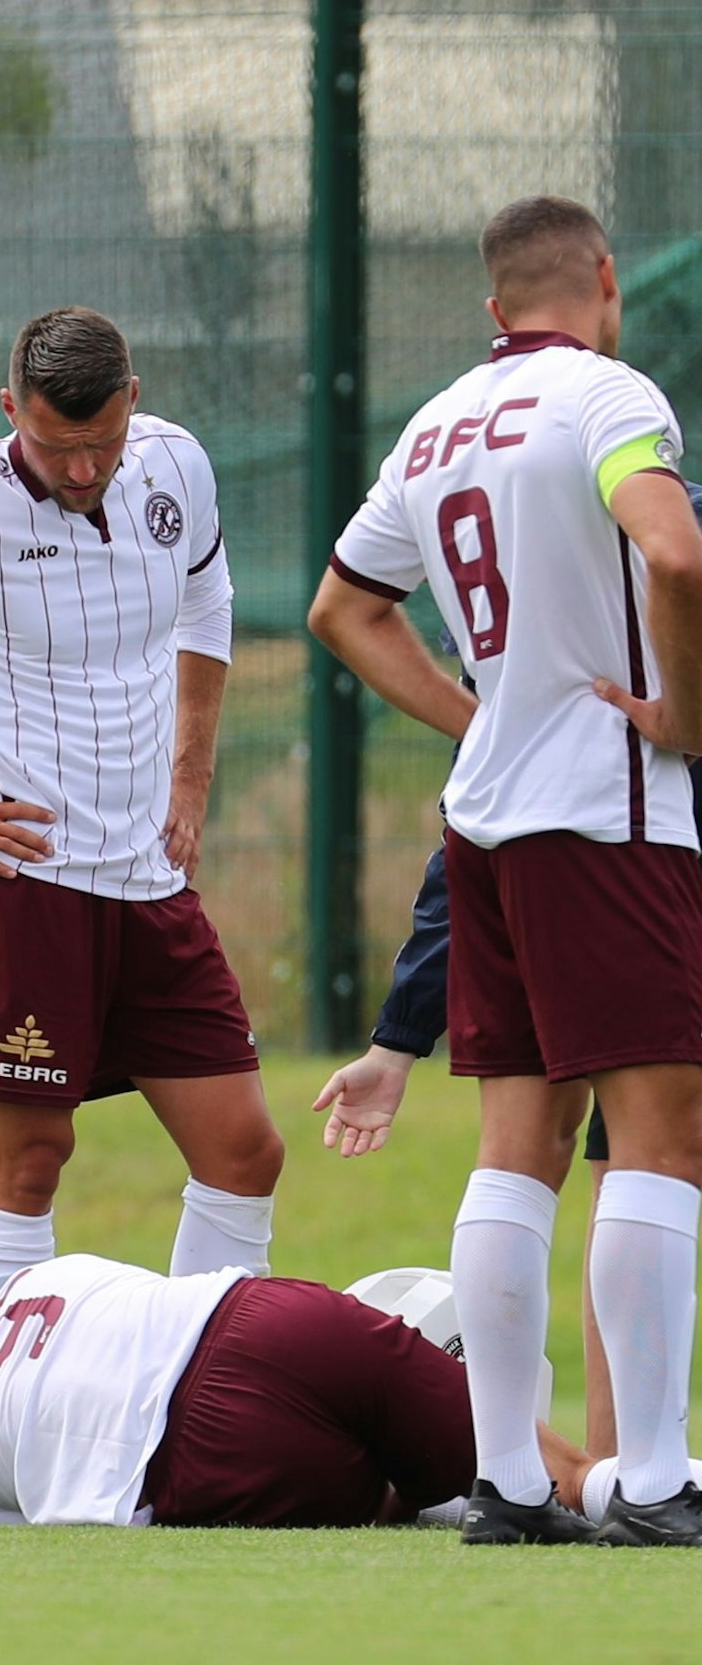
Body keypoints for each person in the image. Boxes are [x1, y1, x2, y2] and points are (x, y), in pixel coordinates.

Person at [308, 194, 702, 1546]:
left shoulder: (434, 425)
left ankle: (510, 1484)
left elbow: (341, 608)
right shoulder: (608, 397)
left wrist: (475, 717)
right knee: (661, 1137)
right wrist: (685, 711)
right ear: (606, 278)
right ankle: (653, 1477)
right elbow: (675, 551)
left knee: (515, 1148)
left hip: (484, 821)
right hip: (609, 808)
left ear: (491, 307)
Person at [0, 306, 282, 1315]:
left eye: (101, 444)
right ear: (7, 410)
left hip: (151, 880)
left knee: (244, 1149)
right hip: (22, 881)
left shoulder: (175, 464)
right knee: (32, 1157)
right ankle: (14, 1394)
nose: (81, 470)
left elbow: (207, 600)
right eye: (53, 446)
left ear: (133, 403)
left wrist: (190, 774)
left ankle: (201, 1383)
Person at [0, 1251, 599, 1532]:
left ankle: (448, 1492)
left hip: (203, 1447)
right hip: (265, 1312)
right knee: (522, 1452)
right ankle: (624, 1490)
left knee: (380, 1500)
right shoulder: (35, 1283)